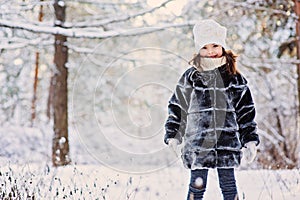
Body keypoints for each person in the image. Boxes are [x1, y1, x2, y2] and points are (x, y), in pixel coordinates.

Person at [164, 19, 260, 200]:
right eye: (205, 47)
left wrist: (250, 140)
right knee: (197, 188)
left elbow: (246, 112)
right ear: (198, 50)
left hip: (227, 143)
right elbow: (177, 107)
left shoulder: (235, 78)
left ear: (223, 46)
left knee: (229, 187)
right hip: (198, 144)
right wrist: (173, 135)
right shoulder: (191, 77)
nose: (210, 52)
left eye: (215, 45)